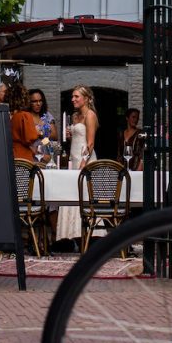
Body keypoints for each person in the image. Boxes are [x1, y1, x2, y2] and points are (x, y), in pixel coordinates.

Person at [53, 86, 99, 247]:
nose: (73, 99)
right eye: (72, 97)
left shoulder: (90, 115)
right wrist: (70, 135)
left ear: (86, 98)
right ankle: (71, 234)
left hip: (84, 161)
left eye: (76, 96)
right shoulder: (74, 116)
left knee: (84, 196)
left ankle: (90, 236)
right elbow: (77, 140)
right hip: (74, 159)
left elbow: (90, 142)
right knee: (71, 195)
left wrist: (83, 164)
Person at [7, 82, 40, 161]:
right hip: (23, 156)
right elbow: (30, 138)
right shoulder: (24, 115)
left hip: (11, 153)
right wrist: (38, 132)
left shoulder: (9, 116)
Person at [29, 88, 57, 165]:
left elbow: (54, 135)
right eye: (34, 101)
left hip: (47, 157)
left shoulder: (47, 115)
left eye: (40, 101)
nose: (38, 104)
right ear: (29, 102)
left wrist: (41, 134)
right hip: (31, 157)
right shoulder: (26, 117)